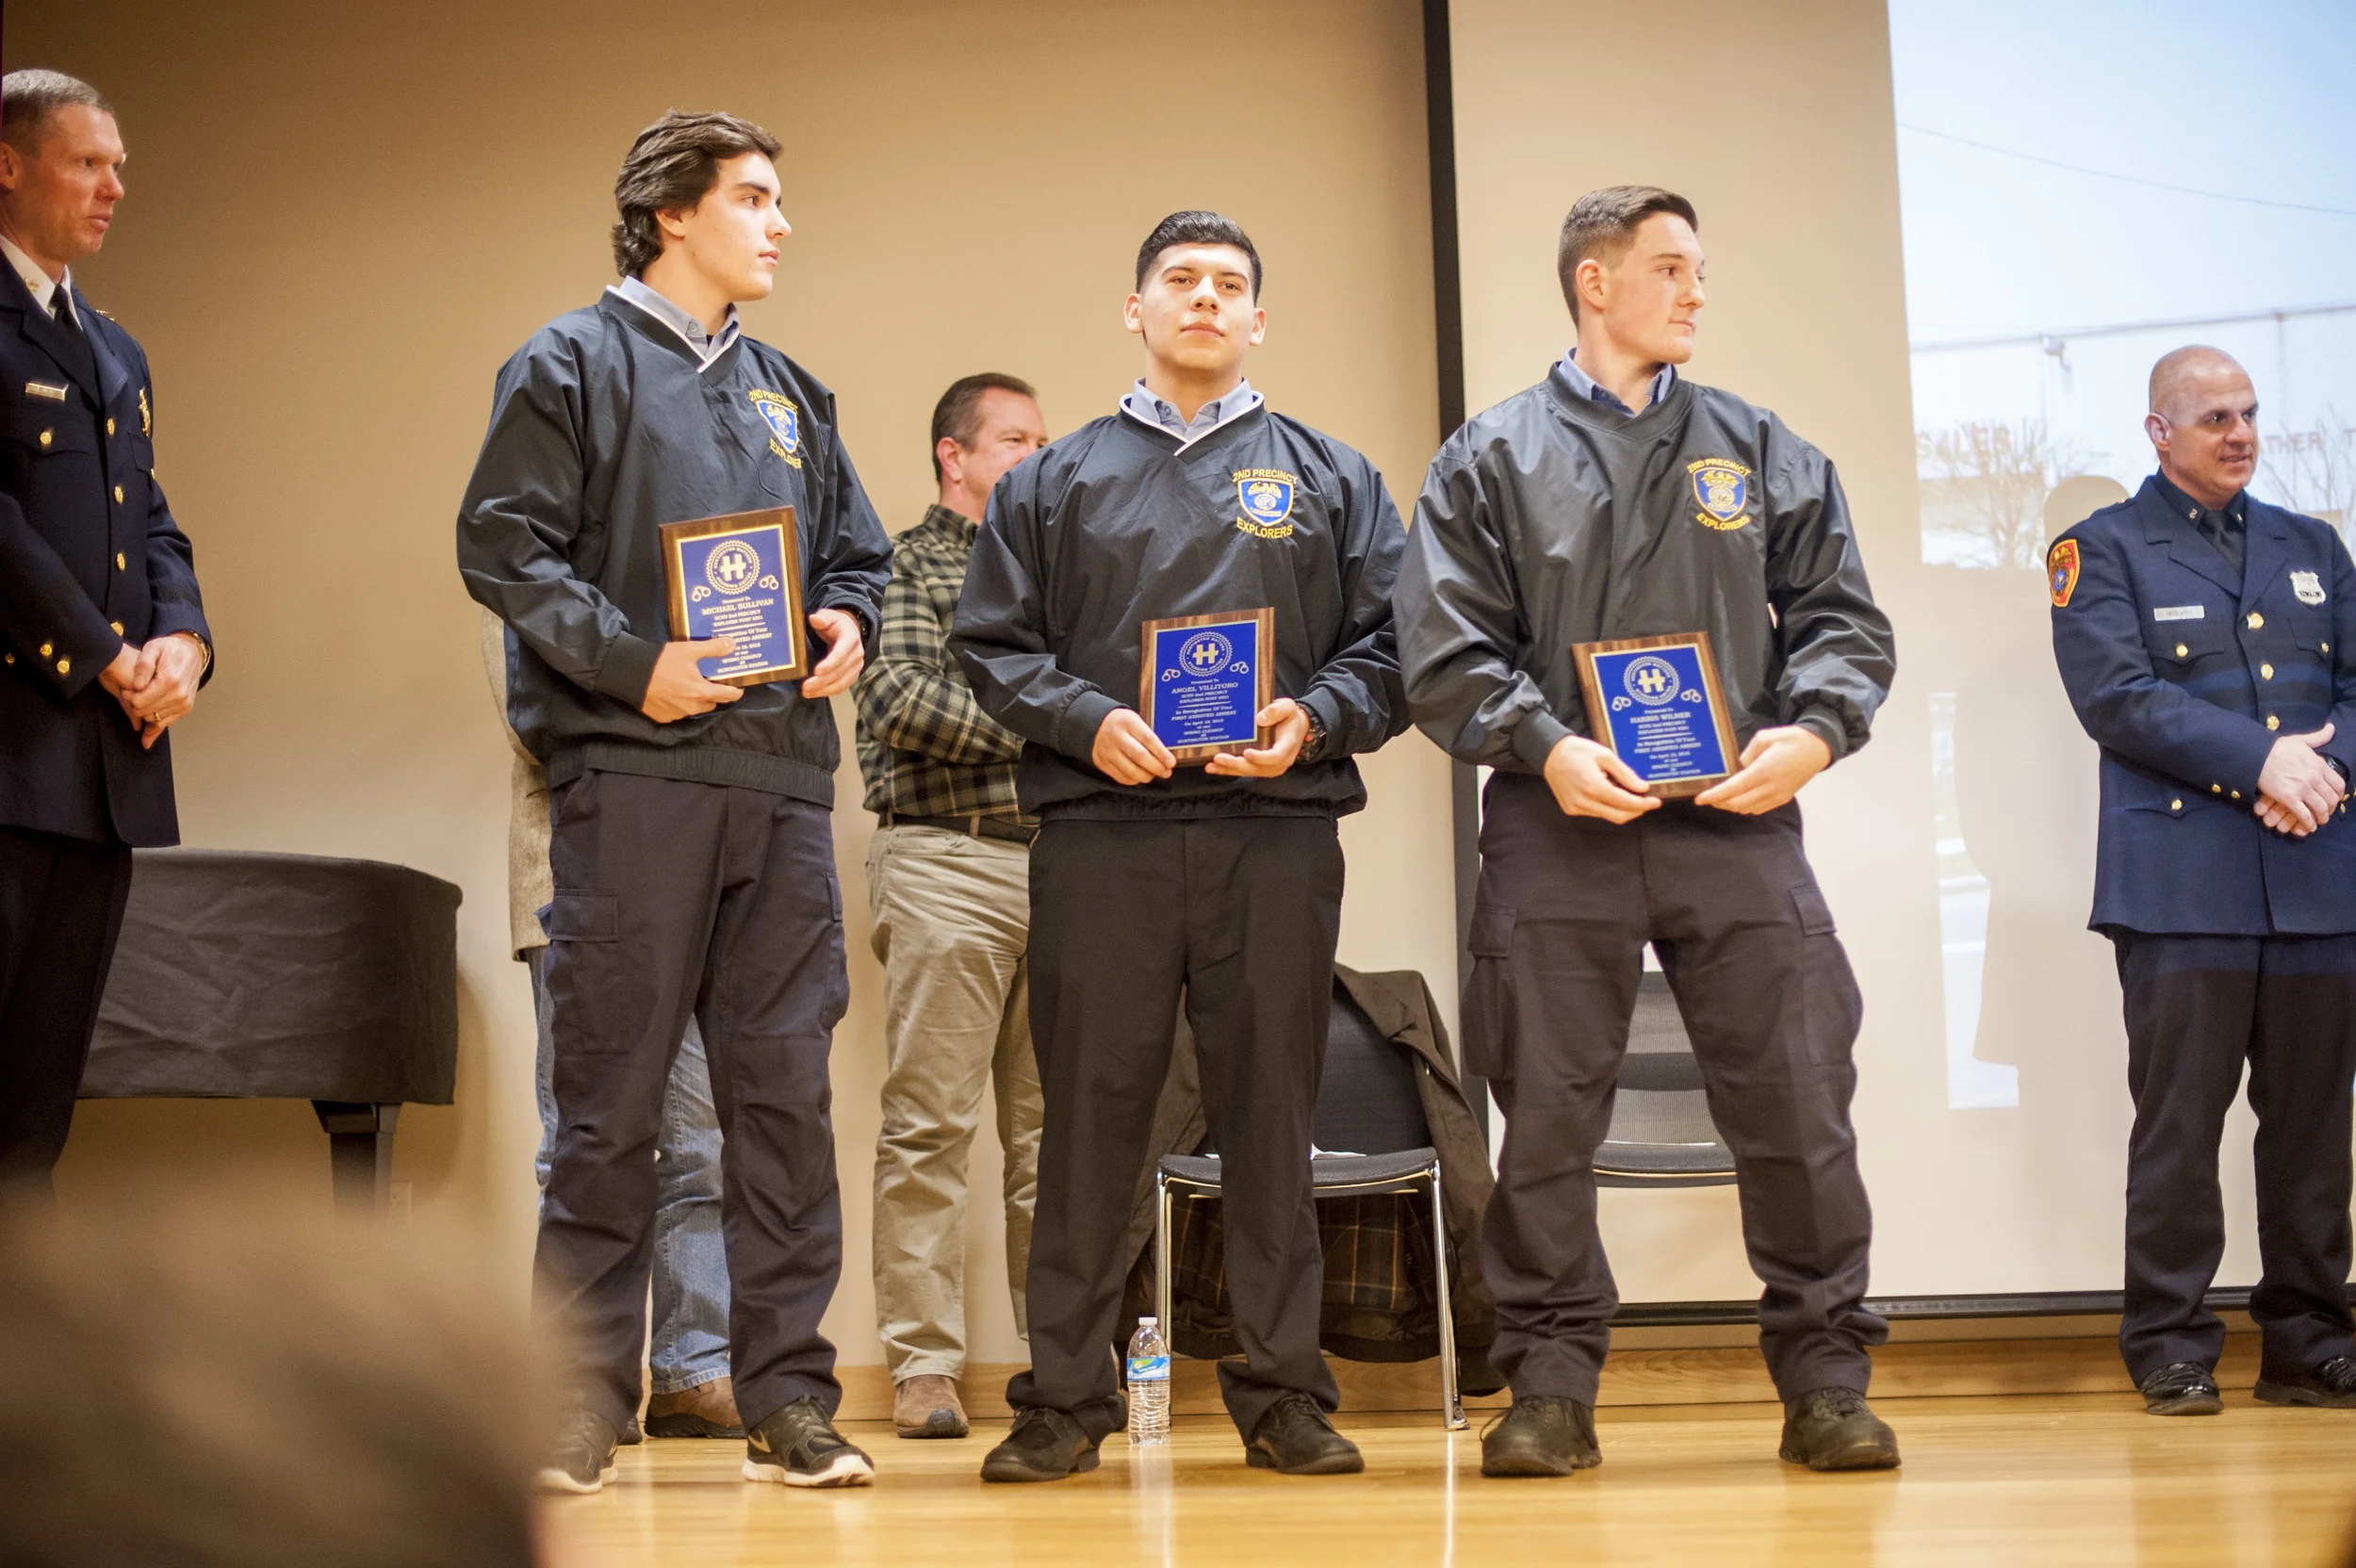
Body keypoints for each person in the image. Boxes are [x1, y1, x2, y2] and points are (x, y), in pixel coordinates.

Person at [1394, 186, 1901, 1477]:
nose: (1695, 290)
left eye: (1698, 268)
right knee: (1546, 1116)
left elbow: (1841, 620)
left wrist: (1815, 731)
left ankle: (1825, 1379)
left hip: (1736, 819)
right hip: (1560, 817)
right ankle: (1550, 1388)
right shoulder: (1490, 456)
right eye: (1670, 267)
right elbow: (1444, 650)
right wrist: (1544, 744)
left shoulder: (1760, 446)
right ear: (1595, 282)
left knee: (1797, 1097)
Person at [456, 109, 891, 1493]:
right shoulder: (568, 362)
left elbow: (860, 557)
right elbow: (502, 547)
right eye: (753, 197)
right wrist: (633, 662)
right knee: (610, 1112)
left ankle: (789, 1398)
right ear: (671, 214)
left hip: (781, 787)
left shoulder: (792, 392)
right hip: (634, 779)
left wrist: (848, 619)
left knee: (783, 1108)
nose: (779, 223)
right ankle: (579, 1402)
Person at [955, 210, 1408, 1481]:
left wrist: (1316, 718)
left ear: (1259, 318)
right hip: (1103, 838)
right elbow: (992, 645)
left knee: (1270, 1116)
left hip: (1276, 830)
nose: (1205, 298)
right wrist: (1085, 721)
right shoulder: (1052, 481)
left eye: (1228, 284)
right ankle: (1063, 1399)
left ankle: (1283, 1394)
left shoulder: (1332, 476)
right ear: (1136, 309)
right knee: (1090, 1123)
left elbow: (1397, 645)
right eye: (1180, 280)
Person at [2048, 345, 2356, 1416]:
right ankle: (2171, 1342)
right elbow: (2117, 697)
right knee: (2180, 1128)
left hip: (2316, 872)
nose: (2241, 434)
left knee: (2313, 1130)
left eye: (2250, 413)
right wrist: (2262, 762)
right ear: (2159, 430)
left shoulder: (2312, 545)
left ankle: (2308, 1340)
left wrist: (2322, 773)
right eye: (2215, 417)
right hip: (2181, 886)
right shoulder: (2100, 548)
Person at [0, 71, 210, 1191]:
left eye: (118, 165)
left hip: (102, 773)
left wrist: (184, 640)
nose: (115, 186)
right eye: (88, 162)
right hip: (12, 750)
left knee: (38, 1106)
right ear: (10, 164)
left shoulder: (114, 346)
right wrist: (103, 653)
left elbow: (152, 519)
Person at [479, 612, 741, 1442]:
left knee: (700, 1143)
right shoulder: (527, 575)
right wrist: (662, 698)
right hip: (571, 879)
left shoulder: (688, 577)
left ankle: (694, 1369)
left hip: (689, 886)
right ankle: (575, 1381)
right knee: (583, 1143)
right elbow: (533, 719)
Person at [854, 373, 1048, 1440]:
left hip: (1063, 868)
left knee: (1053, 1140)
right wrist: (1055, 727)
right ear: (954, 455)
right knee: (929, 1126)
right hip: (945, 861)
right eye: (1014, 439)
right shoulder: (904, 563)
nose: (1035, 455)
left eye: (1041, 440)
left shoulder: (1062, 576)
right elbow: (896, 698)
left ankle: (1061, 1363)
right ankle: (924, 1369)